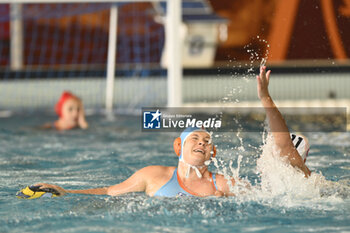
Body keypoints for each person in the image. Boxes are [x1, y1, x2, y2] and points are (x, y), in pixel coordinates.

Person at [25, 66, 310, 198]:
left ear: (213, 152)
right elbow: (109, 191)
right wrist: (67, 191)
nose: (201, 141)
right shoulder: (153, 175)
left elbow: (271, 195)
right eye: (194, 138)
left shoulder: (221, 184)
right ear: (178, 146)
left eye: (207, 140)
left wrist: (266, 103)